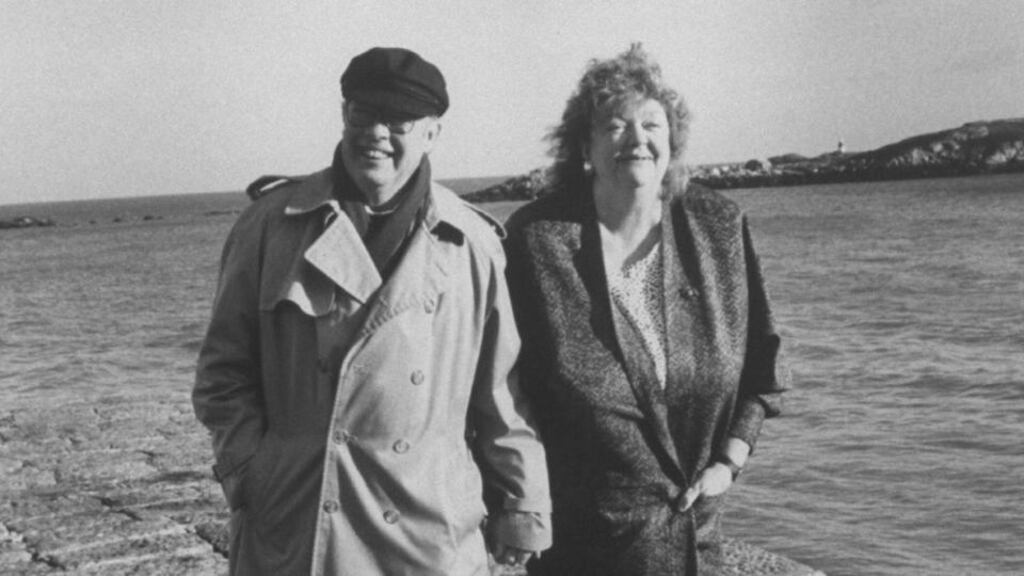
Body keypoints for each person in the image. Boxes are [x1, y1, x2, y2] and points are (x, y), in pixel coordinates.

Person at [193, 46, 551, 576]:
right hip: (299, 518)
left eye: (399, 119)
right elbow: (222, 375)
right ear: (344, 117)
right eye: (363, 113)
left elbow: (502, 391)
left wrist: (524, 500)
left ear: (432, 132)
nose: (376, 132)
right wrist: (251, 469)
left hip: (427, 528)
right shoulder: (271, 225)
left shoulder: (471, 242)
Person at [503, 44, 791, 575]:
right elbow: (502, 389)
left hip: (694, 547)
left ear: (672, 143)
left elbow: (763, 370)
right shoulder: (536, 240)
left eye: (652, 125)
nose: (637, 140)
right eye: (615, 125)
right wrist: (518, 501)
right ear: (584, 146)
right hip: (579, 550)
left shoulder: (719, 228)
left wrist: (730, 462)